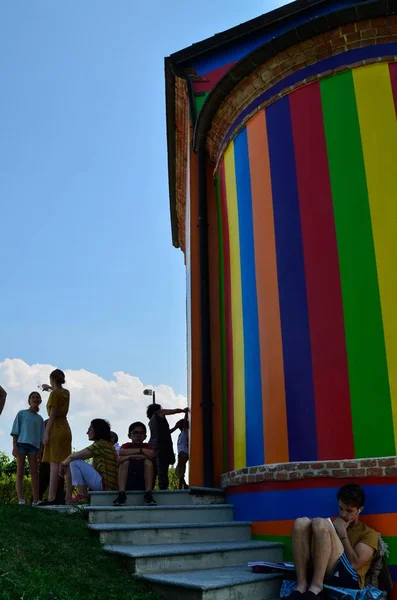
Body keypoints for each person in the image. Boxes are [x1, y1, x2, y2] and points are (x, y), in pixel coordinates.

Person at [291, 483, 379, 599]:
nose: (343, 514)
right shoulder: (332, 525)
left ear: (359, 510)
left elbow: (354, 564)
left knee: (320, 523)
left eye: (349, 510)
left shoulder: (369, 533)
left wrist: (342, 533)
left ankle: (317, 587)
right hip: (324, 569)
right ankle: (301, 586)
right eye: (341, 508)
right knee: (301, 522)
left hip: (349, 579)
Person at [60, 418, 118, 504]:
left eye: (89, 429)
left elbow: (74, 457)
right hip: (109, 484)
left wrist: (63, 464)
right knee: (76, 462)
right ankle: (79, 495)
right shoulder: (105, 444)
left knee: (74, 462)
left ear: (97, 430)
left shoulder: (101, 444)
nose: (87, 432)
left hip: (106, 485)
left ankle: (82, 494)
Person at [41, 369, 72, 505]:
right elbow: (58, 395)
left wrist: (46, 434)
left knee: (54, 463)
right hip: (66, 428)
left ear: (52, 379)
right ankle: (68, 496)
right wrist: (49, 389)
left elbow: (52, 415)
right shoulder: (66, 392)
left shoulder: (54, 394)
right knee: (66, 463)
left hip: (56, 429)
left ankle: (51, 498)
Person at [10, 391, 45, 505]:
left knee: (34, 473)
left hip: (33, 448)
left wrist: (40, 451)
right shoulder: (22, 413)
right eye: (33, 397)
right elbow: (15, 431)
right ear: (29, 400)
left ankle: (35, 500)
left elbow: (41, 438)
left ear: (40, 401)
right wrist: (14, 446)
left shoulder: (40, 419)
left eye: (37, 397)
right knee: (20, 471)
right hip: (21, 444)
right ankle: (20, 498)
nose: (35, 399)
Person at [147, 403, 188, 490]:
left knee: (154, 472)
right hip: (161, 448)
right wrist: (182, 410)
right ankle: (163, 491)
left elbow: (165, 433)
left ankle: (150, 490)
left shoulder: (151, 422)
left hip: (153, 448)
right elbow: (171, 411)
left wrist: (175, 427)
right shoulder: (158, 413)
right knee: (162, 472)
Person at [113, 421, 156, 506]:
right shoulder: (126, 446)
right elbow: (120, 457)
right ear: (129, 435)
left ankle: (148, 495)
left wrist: (129, 455)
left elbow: (151, 456)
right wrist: (141, 451)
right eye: (135, 433)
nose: (138, 435)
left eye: (141, 433)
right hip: (128, 481)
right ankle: (121, 494)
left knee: (148, 463)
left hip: (144, 481)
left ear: (145, 436)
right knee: (124, 462)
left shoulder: (148, 447)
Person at [38, 419, 66, 504]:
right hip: (46, 457)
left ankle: (58, 498)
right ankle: (37, 499)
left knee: (58, 480)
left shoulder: (59, 424)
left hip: (55, 456)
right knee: (42, 481)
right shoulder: (47, 423)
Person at [170, 414, 189, 489]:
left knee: (180, 472)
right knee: (179, 472)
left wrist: (186, 413)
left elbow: (184, 422)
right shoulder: (181, 434)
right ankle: (184, 485)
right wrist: (175, 427)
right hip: (181, 454)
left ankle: (181, 487)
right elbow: (169, 432)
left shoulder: (185, 432)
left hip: (183, 453)